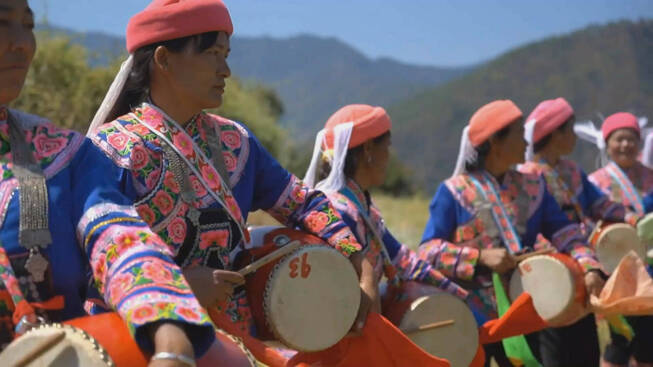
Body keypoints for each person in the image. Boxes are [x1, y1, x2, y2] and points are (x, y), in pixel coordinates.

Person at [86, 0, 375, 358]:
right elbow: (88, 259)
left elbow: (303, 203)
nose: (225, 70)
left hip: (238, 339)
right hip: (147, 339)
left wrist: (360, 263)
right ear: (163, 59)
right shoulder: (111, 150)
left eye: (226, 55)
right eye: (212, 54)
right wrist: (175, 285)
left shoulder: (235, 143)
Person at [0, 0, 217, 365]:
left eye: (29, 25)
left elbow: (117, 234)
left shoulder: (61, 155)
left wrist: (167, 324)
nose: (22, 43)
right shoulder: (119, 142)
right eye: (4, 23)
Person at [419, 100, 604, 367]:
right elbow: (427, 252)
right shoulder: (453, 192)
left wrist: (589, 268)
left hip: (525, 312)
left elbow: (567, 234)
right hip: (472, 318)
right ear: (495, 141)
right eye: (519, 133)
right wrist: (479, 256)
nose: (527, 142)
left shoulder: (533, 186)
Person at [303, 103, 469, 300]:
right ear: (368, 149)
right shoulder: (341, 212)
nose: (388, 157)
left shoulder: (360, 206)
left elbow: (402, 259)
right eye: (386, 147)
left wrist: (457, 294)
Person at [519, 98, 631, 367]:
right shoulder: (528, 175)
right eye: (569, 130)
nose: (574, 136)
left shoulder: (571, 170)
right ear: (555, 134)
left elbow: (596, 203)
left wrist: (628, 217)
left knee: (584, 347)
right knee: (556, 346)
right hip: (551, 274)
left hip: (582, 268)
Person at [581, 112, 653, 367]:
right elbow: (587, 223)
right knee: (620, 334)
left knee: (648, 334)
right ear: (607, 143)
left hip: (649, 267)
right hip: (615, 266)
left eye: (631, 139)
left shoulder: (650, 176)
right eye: (619, 139)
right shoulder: (596, 182)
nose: (626, 145)